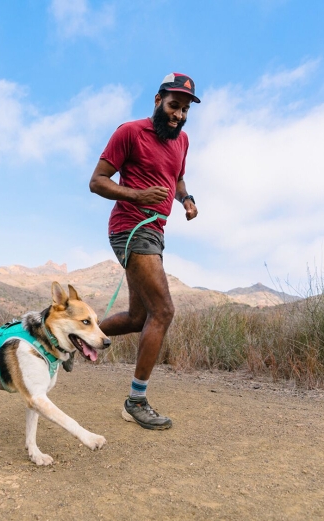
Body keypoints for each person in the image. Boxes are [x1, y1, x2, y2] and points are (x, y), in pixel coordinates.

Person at [89, 73, 200, 430]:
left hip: (156, 232)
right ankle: (136, 400)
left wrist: (187, 199)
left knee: (140, 318)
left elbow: (177, 177)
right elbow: (97, 181)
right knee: (164, 311)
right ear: (157, 100)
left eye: (184, 110)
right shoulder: (130, 132)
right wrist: (137, 195)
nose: (178, 115)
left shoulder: (182, 141)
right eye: (173, 106)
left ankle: (72, 340)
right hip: (130, 228)